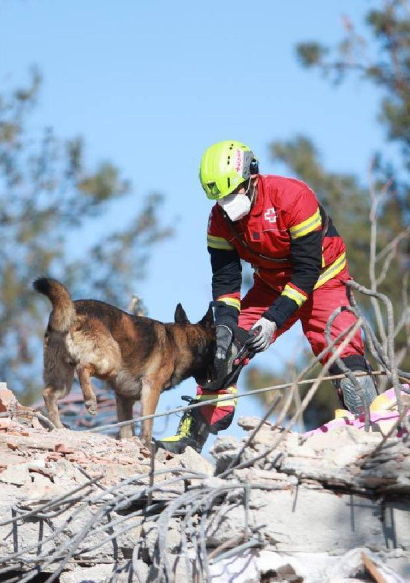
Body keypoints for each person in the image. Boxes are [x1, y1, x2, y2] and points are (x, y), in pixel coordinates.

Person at [156, 140, 378, 454]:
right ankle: (194, 432)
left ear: (253, 177)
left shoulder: (293, 198)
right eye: (221, 197)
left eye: (233, 193)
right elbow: (226, 280)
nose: (228, 203)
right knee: (221, 350)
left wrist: (273, 320)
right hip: (270, 285)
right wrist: (227, 329)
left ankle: (371, 430)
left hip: (323, 279)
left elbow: (307, 270)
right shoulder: (219, 220)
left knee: (344, 352)